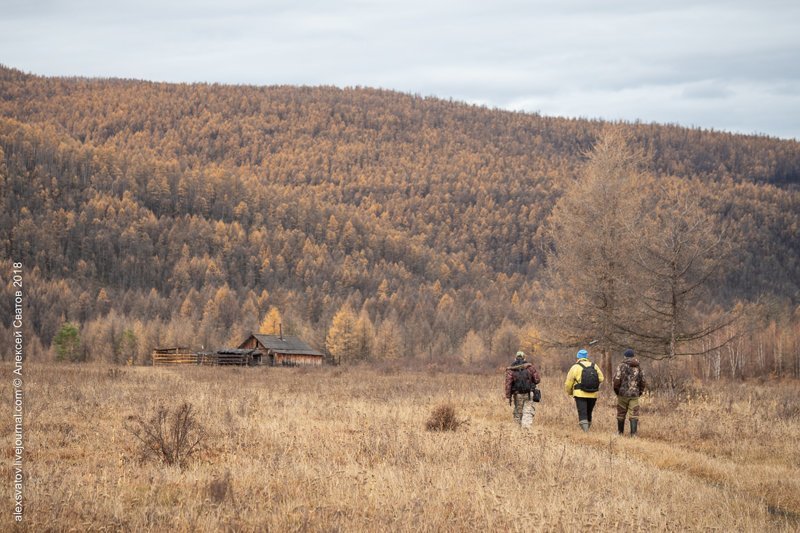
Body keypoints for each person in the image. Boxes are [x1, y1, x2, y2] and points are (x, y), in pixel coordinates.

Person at [564, 349, 604, 432]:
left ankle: (585, 432)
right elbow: (601, 378)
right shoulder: (594, 366)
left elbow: (568, 383)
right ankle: (587, 428)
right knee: (589, 412)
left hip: (579, 394)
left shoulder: (575, 367)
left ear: (578, 357)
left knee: (582, 412)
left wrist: (570, 392)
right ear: (586, 357)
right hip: (593, 394)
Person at [613, 348, 647, 436]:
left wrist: (617, 391)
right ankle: (633, 434)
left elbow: (616, 380)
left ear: (625, 356)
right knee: (634, 414)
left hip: (622, 394)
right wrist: (640, 392)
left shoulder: (621, 366)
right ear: (633, 356)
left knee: (621, 413)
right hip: (634, 394)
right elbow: (643, 381)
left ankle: (620, 433)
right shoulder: (639, 367)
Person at [504, 351, 541, 428]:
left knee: (518, 412)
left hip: (517, 394)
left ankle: (518, 431)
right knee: (528, 412)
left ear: (515, 358)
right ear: (524, 358)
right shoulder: (530, 368)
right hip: (529, 393)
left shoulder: (511, 370)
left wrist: (508, 396)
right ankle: (526, 430)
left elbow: (508, 384)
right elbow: (537, 380)